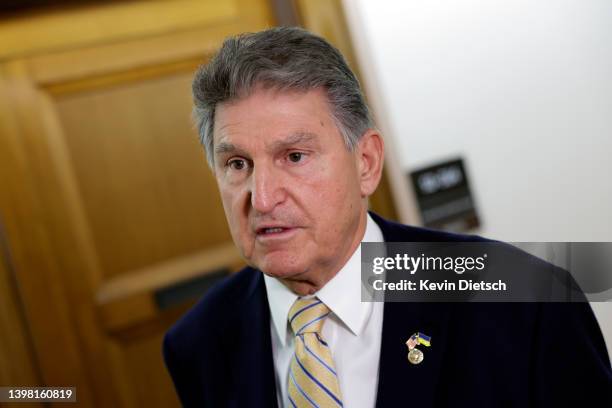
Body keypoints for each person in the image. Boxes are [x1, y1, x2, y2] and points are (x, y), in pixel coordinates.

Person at [162, 26, 611, 407]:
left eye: (294, 156)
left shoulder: (528, 304)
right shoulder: (198, 344)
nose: (261, 199)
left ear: (366, 163)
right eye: (238, 164)